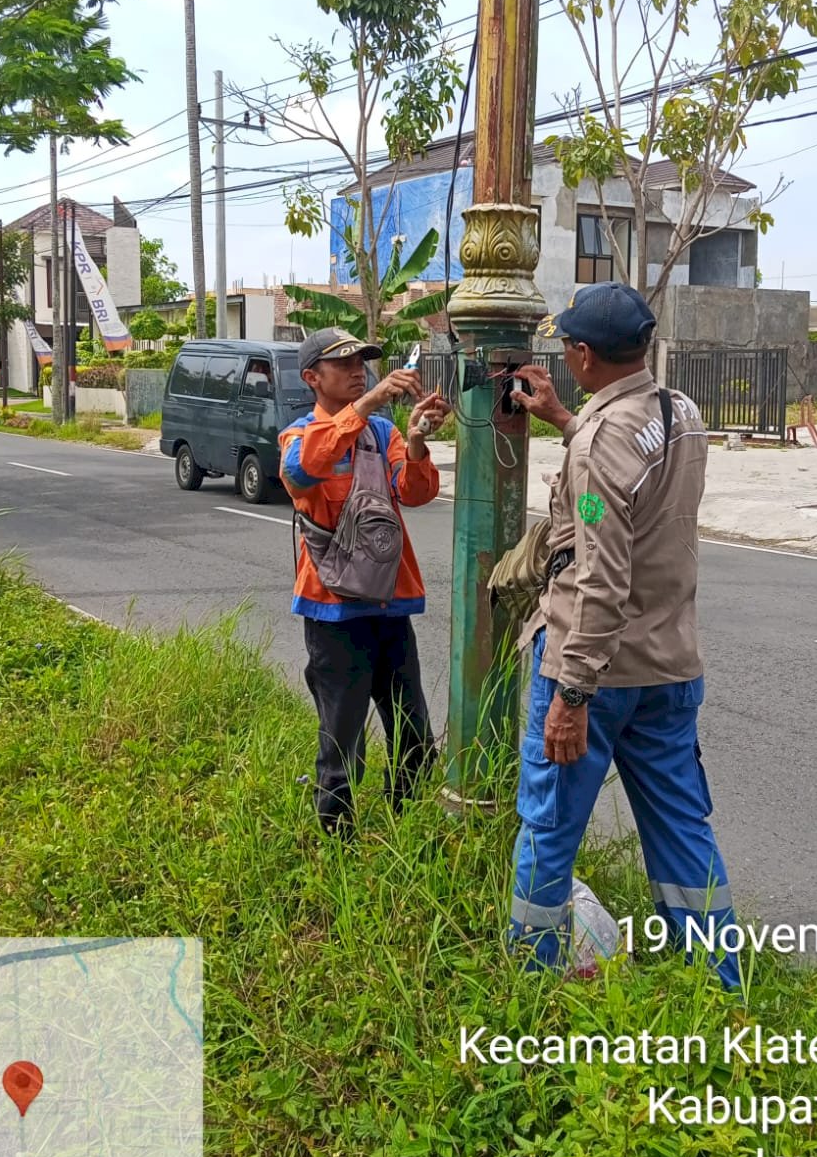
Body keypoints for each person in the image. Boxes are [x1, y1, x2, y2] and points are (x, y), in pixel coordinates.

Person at [508, 282, 740, 990]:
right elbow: (626, 474)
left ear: (580, 354)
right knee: (680, 825)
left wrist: (572, 691)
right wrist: (565, 420)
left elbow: (601, 570)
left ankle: (533, 978)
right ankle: (720, 983)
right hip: (668, 665)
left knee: (549, 826)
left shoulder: (599, 445)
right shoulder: (681, 411)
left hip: (596, 670)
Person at [279, 327, 451, 836]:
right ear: (313, 377)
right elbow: (303, 470)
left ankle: (408, 831)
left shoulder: (383, 434)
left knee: (414, 735)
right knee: (342, 742)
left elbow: (415, 492)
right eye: (345, 364)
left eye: (364, 362)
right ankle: (338, 846)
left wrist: (417, 439)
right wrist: (372, 400)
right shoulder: (298, 436)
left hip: (391, 608)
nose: (359, 371)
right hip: (333, 615)